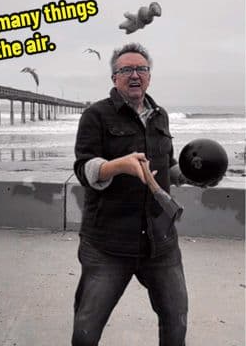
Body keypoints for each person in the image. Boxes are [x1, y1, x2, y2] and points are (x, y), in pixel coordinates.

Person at [72, 43, 188, 346]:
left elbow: (169, 166)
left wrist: (193, 173)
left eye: (141, 69)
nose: (135, 74)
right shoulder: (95, 115)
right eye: (126, 70)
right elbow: (84, 168)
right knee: (85, 331)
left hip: (160, 243)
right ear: (114, 77)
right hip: (107, 244)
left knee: (176, 323)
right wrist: (117, 166)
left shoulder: (160, 115)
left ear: (149, 76)